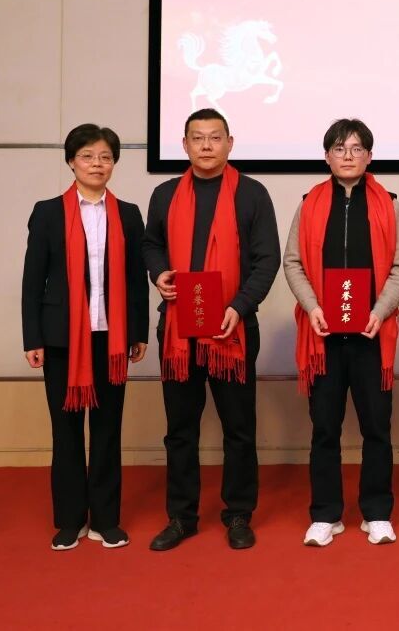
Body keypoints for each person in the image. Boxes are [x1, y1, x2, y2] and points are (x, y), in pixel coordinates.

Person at [143, 108, 280, 551]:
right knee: (180, 430)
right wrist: (159, 273)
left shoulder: (252, 194)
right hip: (178, 330)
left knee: (238, 429)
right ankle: (181, 517)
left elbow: (267, 260)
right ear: (184, 145)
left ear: (229, 143)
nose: (206, 145)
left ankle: (238, 514)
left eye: (215, 137)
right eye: (197, 137)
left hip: (232, 329)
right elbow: (150, 244)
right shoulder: (165, 194)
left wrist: (239, 307)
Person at [283, 118, 399, 547]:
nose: (348, 156)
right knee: (325, 428)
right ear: (327, 156)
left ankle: (377, 512)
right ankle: (326, 515)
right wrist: (312, 307)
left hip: (372, 335)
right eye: (339, 149)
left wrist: (380, 310)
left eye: (357, 149)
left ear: (369, 156)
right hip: (322, 335)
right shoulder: (309, 203)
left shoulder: (389, 204)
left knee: (377, 426)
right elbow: (293, 262)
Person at [21, 123, 148, 550]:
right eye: (88, 156)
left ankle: (106, 520)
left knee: (108, 431)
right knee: (66, 431)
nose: (98, 164)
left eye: (106, 157)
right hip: (62, 341)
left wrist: (138, 332)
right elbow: (33, 281)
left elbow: (136, 280)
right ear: (71, 162)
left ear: (114, 164)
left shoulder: (128, 214)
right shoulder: (48, 213)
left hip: (111, 339)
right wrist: (32, 337)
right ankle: (70, 519)